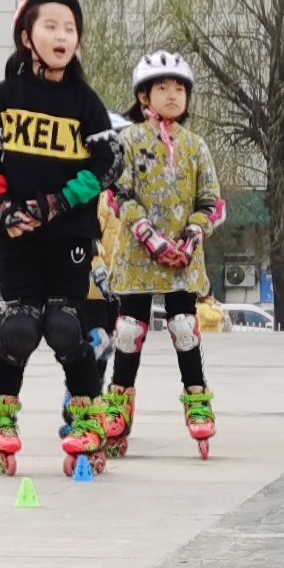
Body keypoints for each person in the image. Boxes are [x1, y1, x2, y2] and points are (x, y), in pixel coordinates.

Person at [0, 0, 116, 478]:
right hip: (18, 239)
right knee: (19, 327)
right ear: (26, 36)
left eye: (70, 29)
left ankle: (88, 419)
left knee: (64, 326)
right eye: (51, 26)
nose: (61, 36)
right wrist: (3, 207)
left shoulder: (85, 102)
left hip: (69, 237)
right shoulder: (3, 98)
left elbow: (106, 166)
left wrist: (55, 204)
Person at [100, 51, 227, 460]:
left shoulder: (195, 145)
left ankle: (197, 400)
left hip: (183, 259)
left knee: (185, 327)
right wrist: (148, 236)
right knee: (128, 332)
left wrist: (191, 236)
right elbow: (118, 193)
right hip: (139, 256)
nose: (172, 95)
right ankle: (118, 406)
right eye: (162, 87)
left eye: (179, 89)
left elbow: (211, 201)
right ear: (143, 96)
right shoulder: (129, 141)